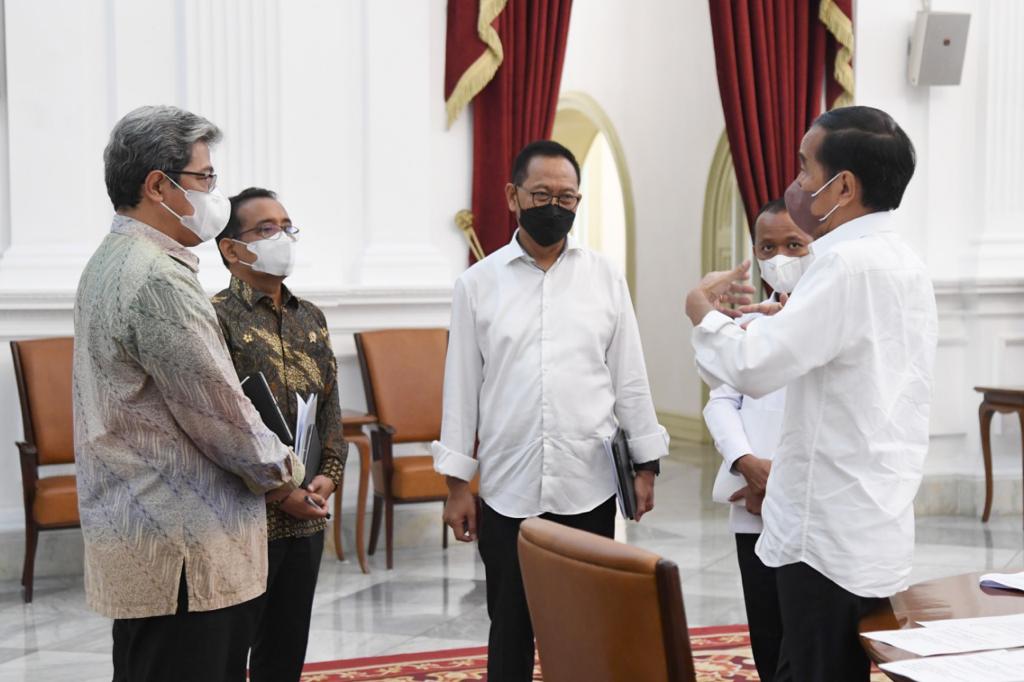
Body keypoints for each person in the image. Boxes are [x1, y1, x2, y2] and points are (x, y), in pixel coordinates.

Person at [684, 106, 937, 682]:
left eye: (804, 168)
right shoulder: (903, 263)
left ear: (842, 186)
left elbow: (753, 367)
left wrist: (702, 314)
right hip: (876, 515)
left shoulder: (846, 266)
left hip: (824, 530)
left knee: (813, 667)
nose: (796, 184)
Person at [74, 105, 305, 682]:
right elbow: (221, 416)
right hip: (187, 554)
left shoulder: (108, 262)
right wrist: (286, 475)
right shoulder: (157, 277)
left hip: (140, 536)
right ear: (159, 185)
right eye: (205, 178)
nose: (214, 194)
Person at [432, 140, 669, 682]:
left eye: (567, 196)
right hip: (509, 489)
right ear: (513, 196)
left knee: (589, 624)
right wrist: (456, 486)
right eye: (541, 193)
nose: (554, 205)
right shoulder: (477, 284)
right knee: (510, 625)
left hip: (588, 481)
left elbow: (629, 376)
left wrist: (645, 465)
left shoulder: (604, 277)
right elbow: (461, 389)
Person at [212, 187, 347, 681]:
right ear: (232, 247)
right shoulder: (214, 317)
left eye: (287, 226)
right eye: (266, 229)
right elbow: (220, 421)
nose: (283, 237)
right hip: (247, 516)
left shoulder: (310, 317)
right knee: (229, 652)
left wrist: (328, 476)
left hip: (307, 514)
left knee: (285, 652)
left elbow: (330, 403)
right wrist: (277, 491)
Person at [703, 199, 810, 682]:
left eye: (794, 244)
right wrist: (747, 463)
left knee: (808, 639)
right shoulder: (748, 328)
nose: (781, 256)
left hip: (808, 505)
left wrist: (779, 483)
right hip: (751, 506)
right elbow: (721, 402)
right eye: (768, 247)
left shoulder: (829, 325)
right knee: (767, 631)